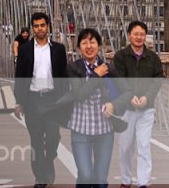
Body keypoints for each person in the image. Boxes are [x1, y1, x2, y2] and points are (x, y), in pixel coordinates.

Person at [66, 27, 130, 188]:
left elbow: (127, 92)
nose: (89, 46)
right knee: (86, 176)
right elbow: (79, 94)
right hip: (81, 129)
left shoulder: (109, 68)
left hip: (104, 131)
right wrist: (96, 75)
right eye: (84, 42)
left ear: (99, 46)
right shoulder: (74, 68)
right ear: (79, 47)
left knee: (101, 181)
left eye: (92, 42)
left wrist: (113, 106)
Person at [14, 12, 67, 188]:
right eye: (36, 26)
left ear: (48, 26)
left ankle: (48, 158)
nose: (39, 29)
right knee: (36, 141)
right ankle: (40, 177)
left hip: (52, 100)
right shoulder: (25, 50)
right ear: (32, 28)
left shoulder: (59, 50)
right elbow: (20, 76)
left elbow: (63, 77)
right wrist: (18, 102)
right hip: (32, 101)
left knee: (53, 136)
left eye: (42, 25)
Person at [113, 20, 163, 188]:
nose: (139, 37)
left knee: (143, 145)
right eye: (136, 34)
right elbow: (118, 79)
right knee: (125, 147)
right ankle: (126, 181)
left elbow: (156, 81)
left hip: (146, 109)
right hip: (127, 109)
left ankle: (143, 183)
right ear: (129, 36)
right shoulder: (120, 56)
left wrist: (147, 98)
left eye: (142, 34)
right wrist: (130, 97)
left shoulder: (153, 58)